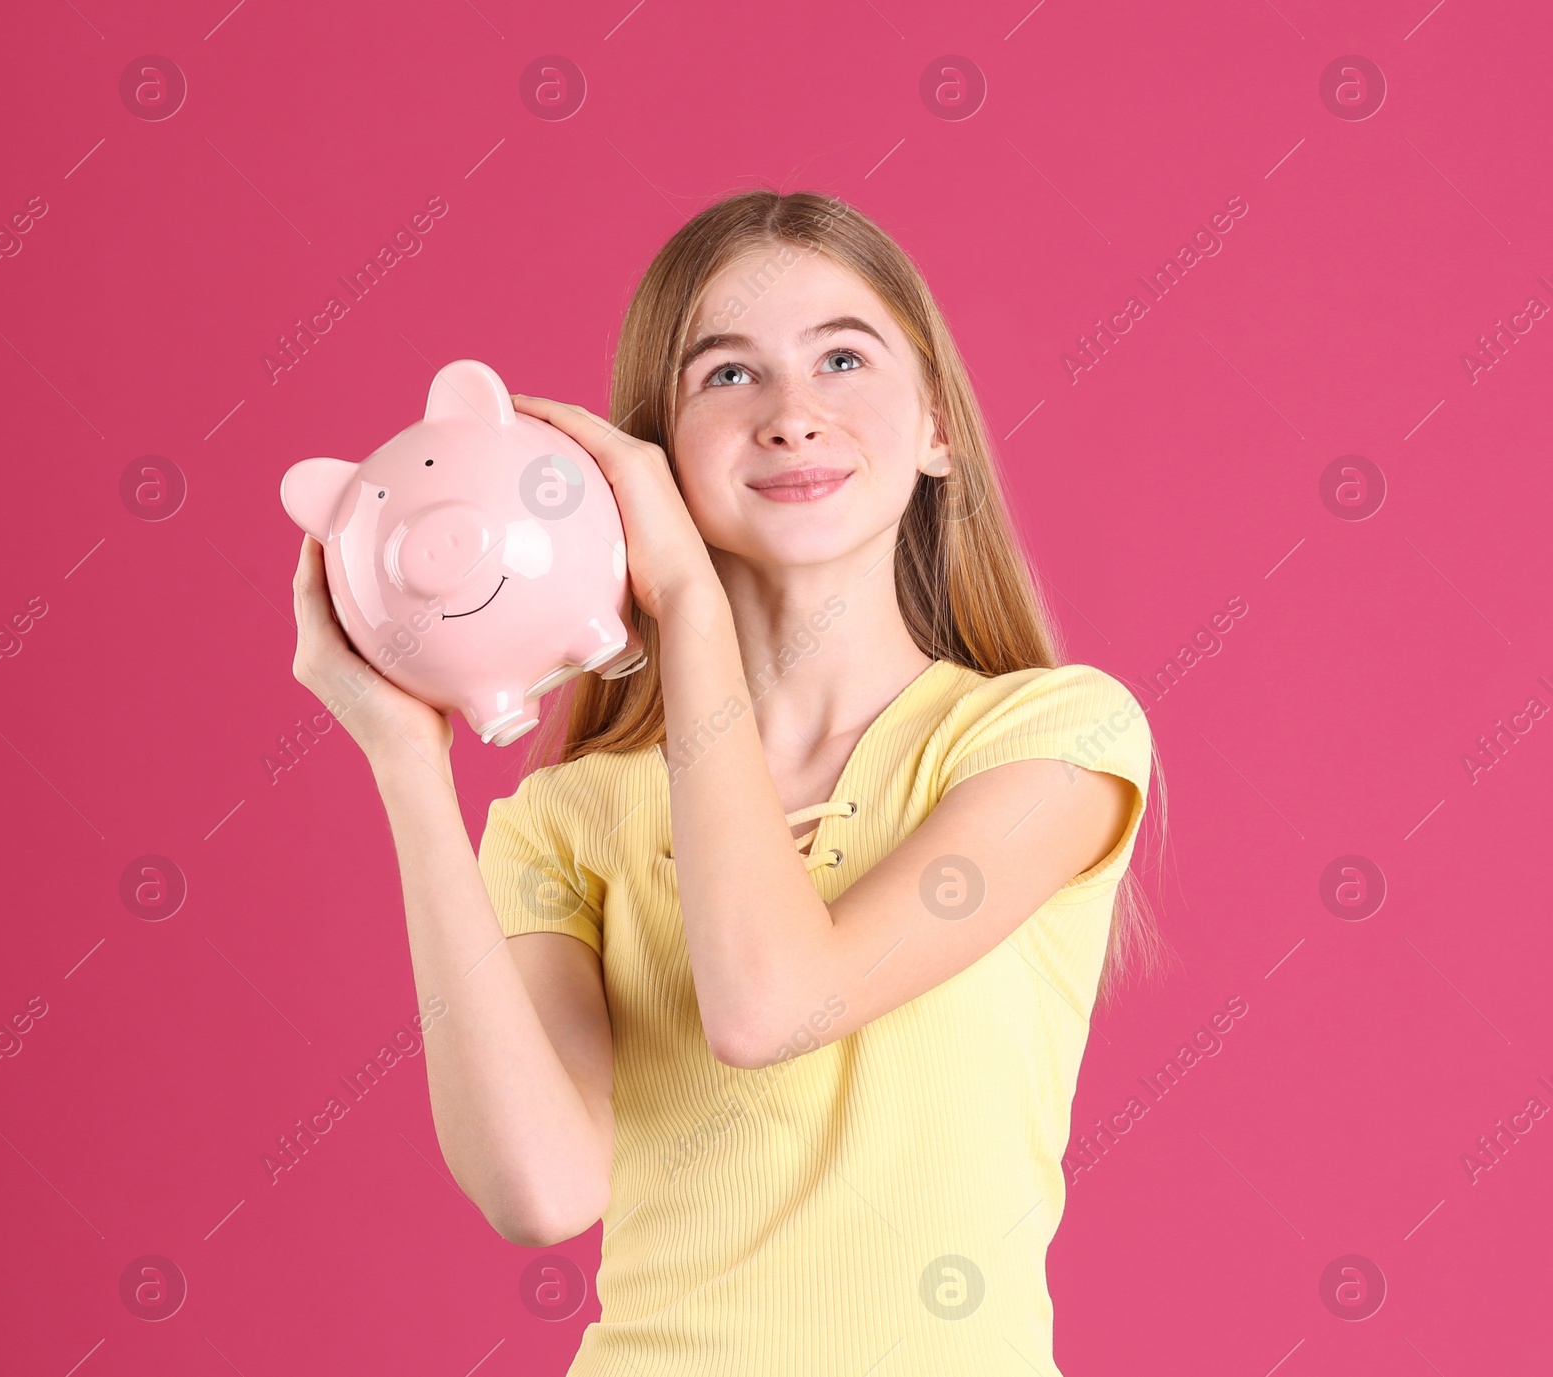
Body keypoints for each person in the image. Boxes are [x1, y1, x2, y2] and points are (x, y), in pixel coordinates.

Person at [289, 189, 1167, 1376]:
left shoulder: (1055, 737)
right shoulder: (568, 819)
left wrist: (688, 604)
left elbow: (769, 1007)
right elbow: (541, 1190)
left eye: (844, 359)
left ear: (937, 430)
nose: (794, 418)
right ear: (650, 459)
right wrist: (405, 765)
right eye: (728, 377)